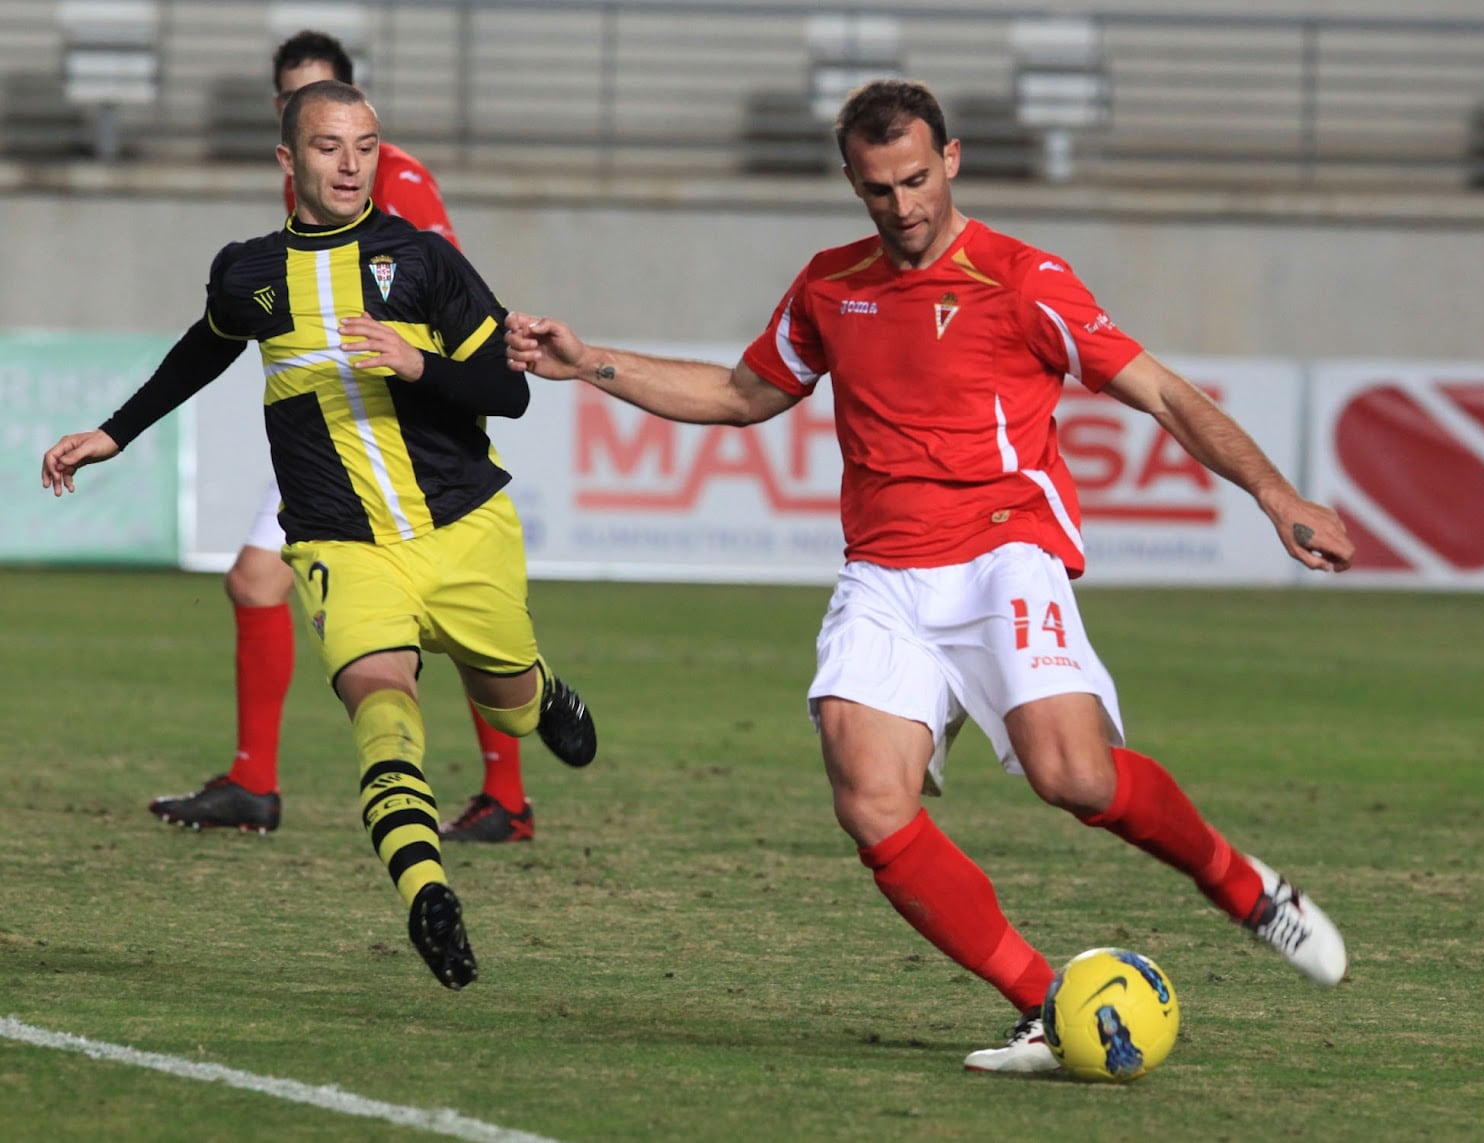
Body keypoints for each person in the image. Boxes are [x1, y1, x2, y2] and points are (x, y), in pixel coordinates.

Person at [503, 79, 1353, 1070]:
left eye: (914, 180)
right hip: (884, 575)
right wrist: (588, 360)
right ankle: (1049, 1003)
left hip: (1003, 555)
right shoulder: (829, 285)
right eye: (876, 189)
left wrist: (1275, 493)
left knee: (1073, 777)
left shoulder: (1022, 279)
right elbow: (741, 395)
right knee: (868, 799)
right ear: (852, 182)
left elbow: (1162, 392)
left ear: (948, 160)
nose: (901, 207)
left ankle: (1244, 889)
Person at [42, 80, 597, 989]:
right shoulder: (251, 271)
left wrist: (419, 363)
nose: (350, 163)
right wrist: (115, 432)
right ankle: (427, 893)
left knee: (506, 699)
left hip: (461, 527)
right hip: (338, 541)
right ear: (288, 161)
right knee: (381, 703)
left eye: (367, 145)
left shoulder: (421, 261)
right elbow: (204, 346)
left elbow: (512, 391)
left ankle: (541, 699)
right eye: (331, 145)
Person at [148, 29, 538, 844]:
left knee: (456, 623)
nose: (340, 152)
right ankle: (258, 778)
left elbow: (450, 293)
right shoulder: (296, 207)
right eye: (298, 103)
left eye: (331, 105)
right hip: (322, 425)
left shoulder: (396, 183)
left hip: (397, 430)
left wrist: (424, 374)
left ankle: (505, 791)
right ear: (285, 124)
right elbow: (225, 330)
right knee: (257, 583)